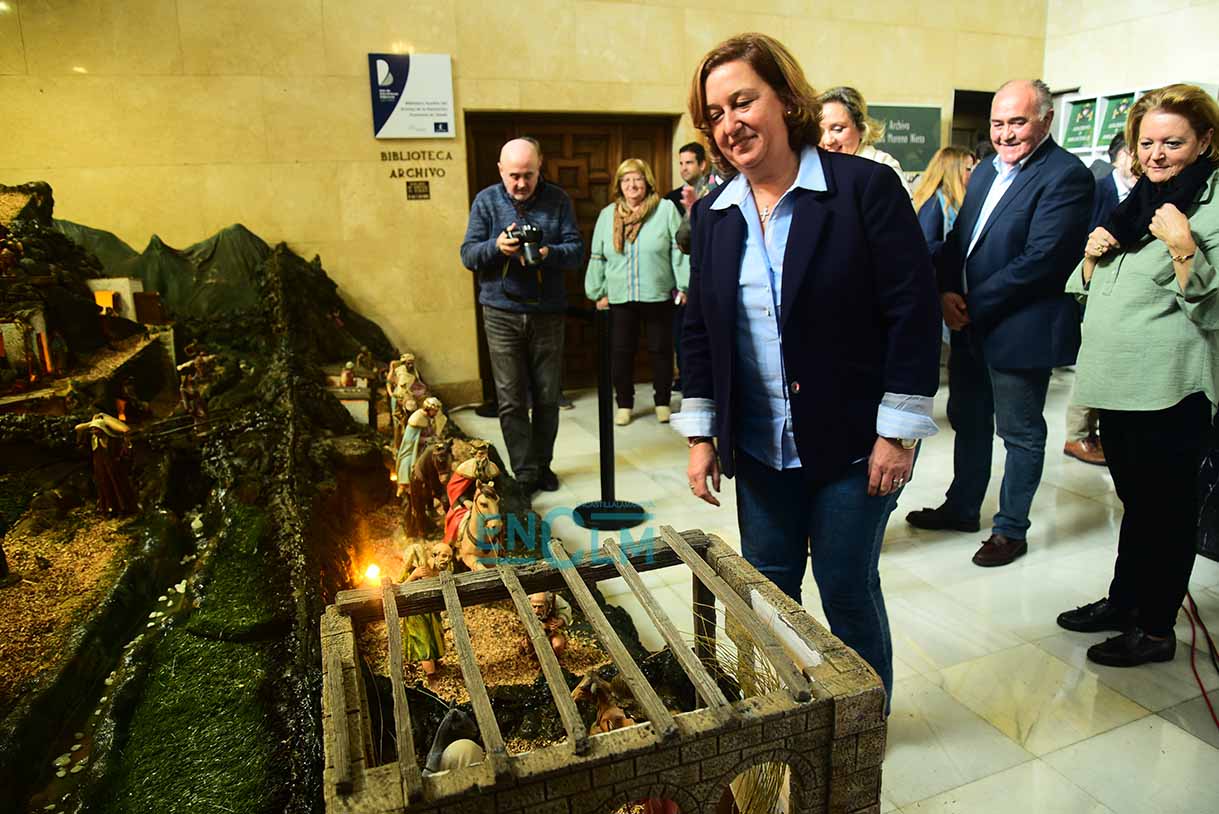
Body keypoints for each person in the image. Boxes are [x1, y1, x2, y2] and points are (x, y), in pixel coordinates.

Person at [676, 33, 941, 707]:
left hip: (853, 445)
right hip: (760, 449)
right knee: (768, 592)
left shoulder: (862, 189)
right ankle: (789, 716)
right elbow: (699, 330)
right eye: (715, 114)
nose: (730, 124)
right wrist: (702, 435)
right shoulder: (715, 216)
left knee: (846, 589)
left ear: (786, 99)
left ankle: (863, 725)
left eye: (743, 101)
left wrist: (897, 432)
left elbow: (912, 312)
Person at [1056, 84, 1219, 667]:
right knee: (1138, 505)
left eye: (1172, 142)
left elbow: (1212, 306)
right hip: (1117, 384)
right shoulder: (1138, 202)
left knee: (1166, 514)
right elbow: (1087, 290)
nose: (1156, 154)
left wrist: (1183, 247)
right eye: (1146, 142)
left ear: (1205, 141)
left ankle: (1154, 629)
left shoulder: (1208, 206)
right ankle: (1125, 601)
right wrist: (1090, 257)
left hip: (1169, 389)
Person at [906, 79, 1094, 567]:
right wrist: (946, 291)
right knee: (969, 421)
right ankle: (962, 507)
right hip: (970, 324)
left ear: (1046, 120)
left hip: (1020, 328)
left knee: (1020, 433)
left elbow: (1043, 260)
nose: (1005, 134)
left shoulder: (1067, 176)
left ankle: (1011, 529)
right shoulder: (987, 169)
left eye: (1017, 122)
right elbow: (962, 240)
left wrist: (970, 302)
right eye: (997, 123)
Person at [460, 137, 584, 495]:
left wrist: (547, 253)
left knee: (547, 396)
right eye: (513, 175)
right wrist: (497, 247)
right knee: (511, 399)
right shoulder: (486, 201)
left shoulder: (558, 200)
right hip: (500, 312)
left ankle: (543, 465)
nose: (520, 183)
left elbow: (576, 251)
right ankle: (525, 471)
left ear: (539, 167)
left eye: (528, 175)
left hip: (547, 313)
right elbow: (468, 255)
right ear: (501, 170)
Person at [585, 158, 689, 425]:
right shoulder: (608, 215)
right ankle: (624, 404)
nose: (632, 185)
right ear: (619, 185)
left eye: (638, 179)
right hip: (619, 295)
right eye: (626, 180)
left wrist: (684, 285)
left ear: (648, 182)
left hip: (658, 293)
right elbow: (598, 256)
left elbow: (679, 250)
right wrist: (598, 291)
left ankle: (662, 401)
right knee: (621, 352)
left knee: (661, 351)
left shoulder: (665, 209)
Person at [1064, 133, 1139, 466]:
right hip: (1087, 291)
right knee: (1089, 366)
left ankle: (1091, 433)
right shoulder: (1097, 189)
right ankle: (1078, 435)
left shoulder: (1142, 193)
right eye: (1139, 149)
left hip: (1119, 301)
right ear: (1120, 156)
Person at [818, 86, 913, 197]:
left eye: (837, 129)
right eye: (819, 130)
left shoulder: (883, 167)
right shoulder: (814, 169)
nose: (828, 140)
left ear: (861, 128)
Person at [912, 146, 977, 256]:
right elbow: (927, 246)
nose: (973, 174)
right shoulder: (934, 204)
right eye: (968, 169)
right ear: (953, 171)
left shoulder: (962, 201)